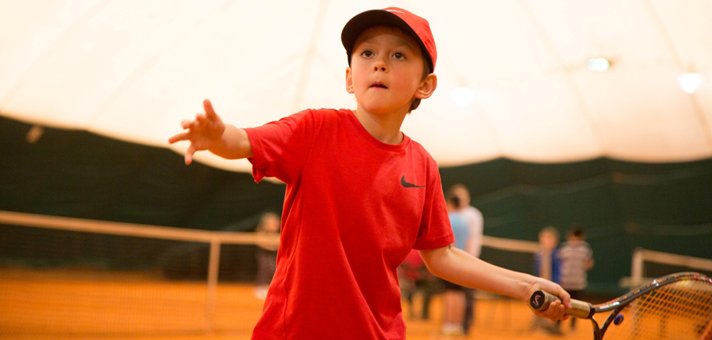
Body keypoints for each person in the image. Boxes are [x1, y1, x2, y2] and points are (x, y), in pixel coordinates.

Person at [169, 7, 570, 339]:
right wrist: (218, 135)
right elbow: (245, 142)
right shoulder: (314, 130)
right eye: (366, 53)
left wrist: (525, 285)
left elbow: (442, 256)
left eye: (399, 55)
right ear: (349, 78)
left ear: (425, 85)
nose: (379, 62)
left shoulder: (423, 165)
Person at [449, 183, 484, 335]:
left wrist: (470, 259)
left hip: (468, 259)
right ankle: (458, 324)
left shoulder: (472, 215)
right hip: (456, 260)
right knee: (459, 292)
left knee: (466, 293)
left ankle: (465, 325)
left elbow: (473, 238)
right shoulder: (458, 216)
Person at [439, 195, 470, 335]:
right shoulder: (465, 221)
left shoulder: (449, 219)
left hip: (450, 261)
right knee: (459, 294)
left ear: (451, 204)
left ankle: (449, 325)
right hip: (463, 261)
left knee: (450, 293)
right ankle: (457, 325)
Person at [558, 226, 594, 331]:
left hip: (578, 284)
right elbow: (559, 263)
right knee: (561, 305)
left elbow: (589, 263)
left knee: (576, 307)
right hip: (565, 283)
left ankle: (572, 326)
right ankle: (558, 325)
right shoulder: (564, 248)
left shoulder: (585, 249)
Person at [533, 226, 562, 335]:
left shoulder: (556, 254)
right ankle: (540, 324)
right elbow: (536, 270)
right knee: (539, 304)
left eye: (548, 238)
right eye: (543, 238)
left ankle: (554, 327)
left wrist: (555, 284)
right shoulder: (538, 254)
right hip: (540, 285)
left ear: (554, 241)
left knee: (553, 306)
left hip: (553, 285)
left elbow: (558, 271)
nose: (545, 240)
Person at [397, 248, 435, 320]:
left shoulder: (422, 251)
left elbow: (427, 267)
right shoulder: (405, 251)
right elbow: (401, 266)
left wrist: (421, 275)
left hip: (421, 278)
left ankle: (425, 312)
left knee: (428, 290)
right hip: (409, 278)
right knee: (408, 291)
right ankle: (412, 311)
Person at [254, 211, 281, 299]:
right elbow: (260, 241)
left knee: (275, 268)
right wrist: (270, 245)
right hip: (264, 253)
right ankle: (261, 286)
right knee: (264, 268)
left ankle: (273, 286)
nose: (273, 224)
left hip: (275, 254)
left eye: (274, 222)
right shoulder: (261, 231)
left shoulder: (280, 232)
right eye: (270, 223)